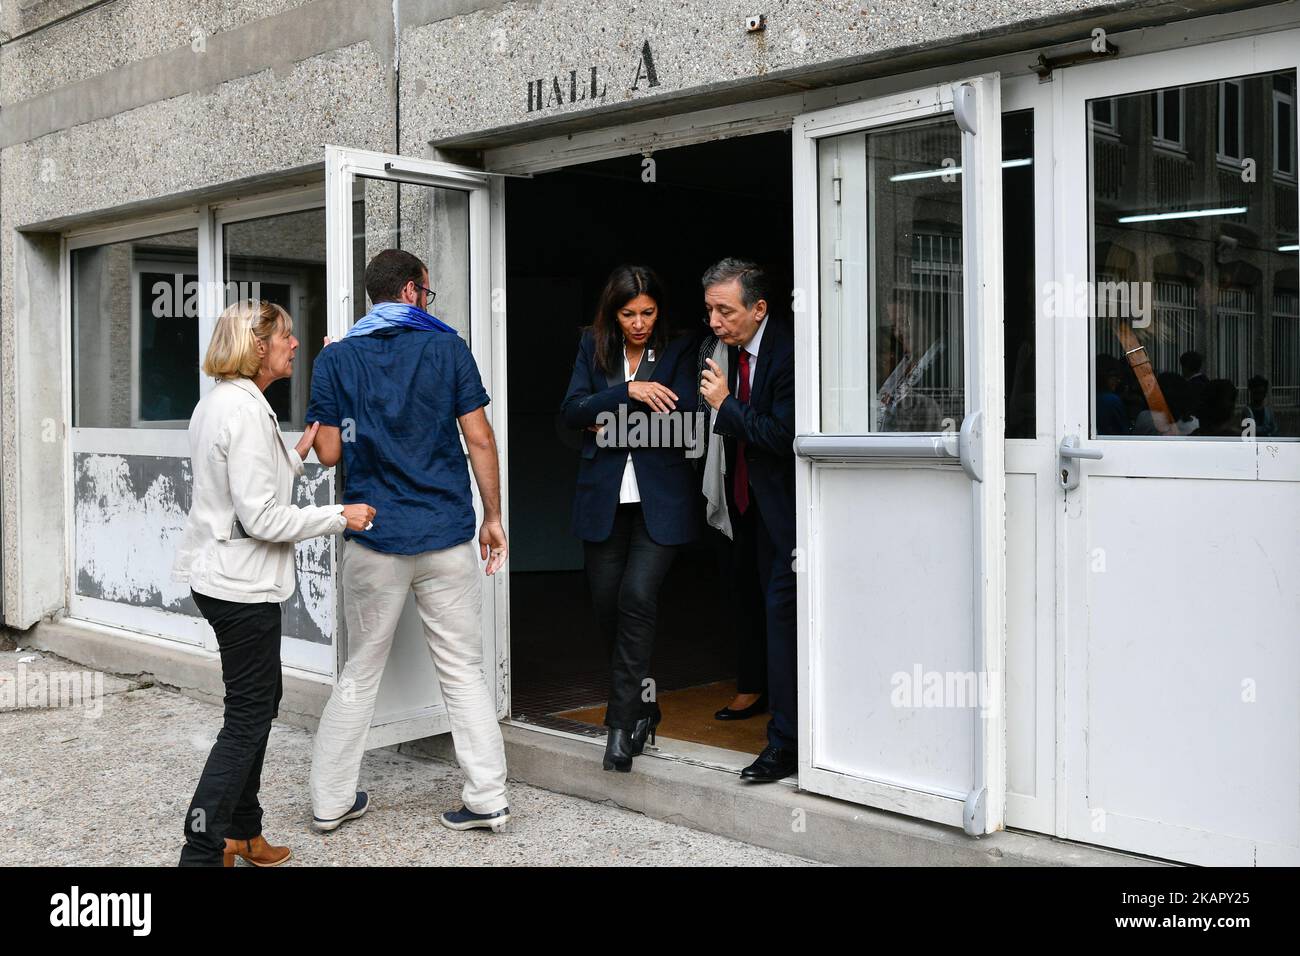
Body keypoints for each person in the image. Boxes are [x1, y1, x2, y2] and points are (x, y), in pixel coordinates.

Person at [307, 249, 511, 833]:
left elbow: (329, 454)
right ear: (415, 290)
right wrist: (492, 517)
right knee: (463, 670)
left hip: (374, 538)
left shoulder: (338, 358)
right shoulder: (448, 347)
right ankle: (487, 798)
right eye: (429, 291)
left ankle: (329, 802)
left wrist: (332, 379)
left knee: (360, 670)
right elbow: (479, 439)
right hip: (446, 532)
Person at [172, 299, 376, 867]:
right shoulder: (243, 410)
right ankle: (202, 847)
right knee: (247, 715)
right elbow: (261, 519)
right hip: (239, 585)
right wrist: (341, 516)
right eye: (286, 336)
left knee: (258, 703)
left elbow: (239, 485)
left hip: (224, 577)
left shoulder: (222, 403)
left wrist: (295, 455)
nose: (294, 345)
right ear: (259, 347)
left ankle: (244, 832)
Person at [561, 265, 700, 772]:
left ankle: (619, 725)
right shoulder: (593, 347)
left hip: (661, 501)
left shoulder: (681, 349)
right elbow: (571, 413)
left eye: (647, 312)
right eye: (628, 314)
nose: (639, 323)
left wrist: (607, 421)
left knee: (637, 597)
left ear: (658, 310)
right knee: (607, 608)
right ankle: (644, 706)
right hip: (603, 500)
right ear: (613, 313)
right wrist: (631, 393)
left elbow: (685, 420)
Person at [698, 258, 798, 783]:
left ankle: (786, 745)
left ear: (759, 309)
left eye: (725, 311)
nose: (714, 322)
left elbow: (785, 437)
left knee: (784, 619)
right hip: (747, 509)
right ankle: (769, 708)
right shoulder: (724, 353)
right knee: (760, 609)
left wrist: (725, 405)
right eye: (710, 309)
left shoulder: (791, 352)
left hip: (788, 515)